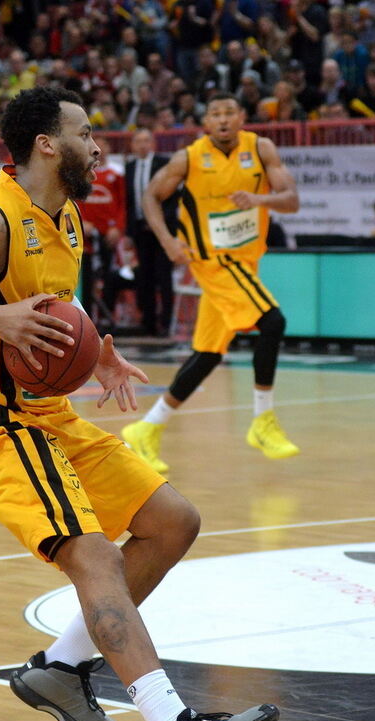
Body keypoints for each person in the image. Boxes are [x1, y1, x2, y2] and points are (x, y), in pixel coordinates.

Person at [0, 86, 279, 721]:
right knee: (91, 552)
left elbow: (56, 309)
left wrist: (95, 353)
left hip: (47, 412)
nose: (99, 146)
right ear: (47, 144)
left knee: (171, 522)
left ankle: (60, 670)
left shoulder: (66, 217)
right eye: (87, 133)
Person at [122, 92, 300, 473]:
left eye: (229, 112)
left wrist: (257, 199)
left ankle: (146, 428)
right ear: (205, 122)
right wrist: (169, 241)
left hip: (245, 262)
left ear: (242, 117)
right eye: (214, 113)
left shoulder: (262, 148)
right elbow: (151, 197)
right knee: (273, 321)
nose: (222, 119)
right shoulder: (187, 157)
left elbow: (291, 200)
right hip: (215, 262)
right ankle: (263, 420)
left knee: (207, 355)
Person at [126, 128, 175, 337]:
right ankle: (147, 322)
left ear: (153, 143)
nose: (143, 145)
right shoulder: (129, 167)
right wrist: (129, 231)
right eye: (139, 141)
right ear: (133, 145)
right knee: (144, 276)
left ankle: (165, 323)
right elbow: (128, 202)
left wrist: (160, 222)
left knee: (164, 276)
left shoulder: (165, 163)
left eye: (146, 140)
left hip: (162, 229)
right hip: (139, 229)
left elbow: (173, 198)